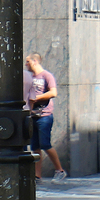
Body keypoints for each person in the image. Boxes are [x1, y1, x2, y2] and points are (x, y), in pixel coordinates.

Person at [24, 53, 66, 182]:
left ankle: (60, 170)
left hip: (44, 115)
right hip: (32, 114)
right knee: (35, 146)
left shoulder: (46, 76)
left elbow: (53, 92)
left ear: (35, 61)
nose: (26, 65)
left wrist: (36, 98)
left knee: (45, 144)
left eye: (28, 62)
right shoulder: (29, 77)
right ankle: (37, 175)